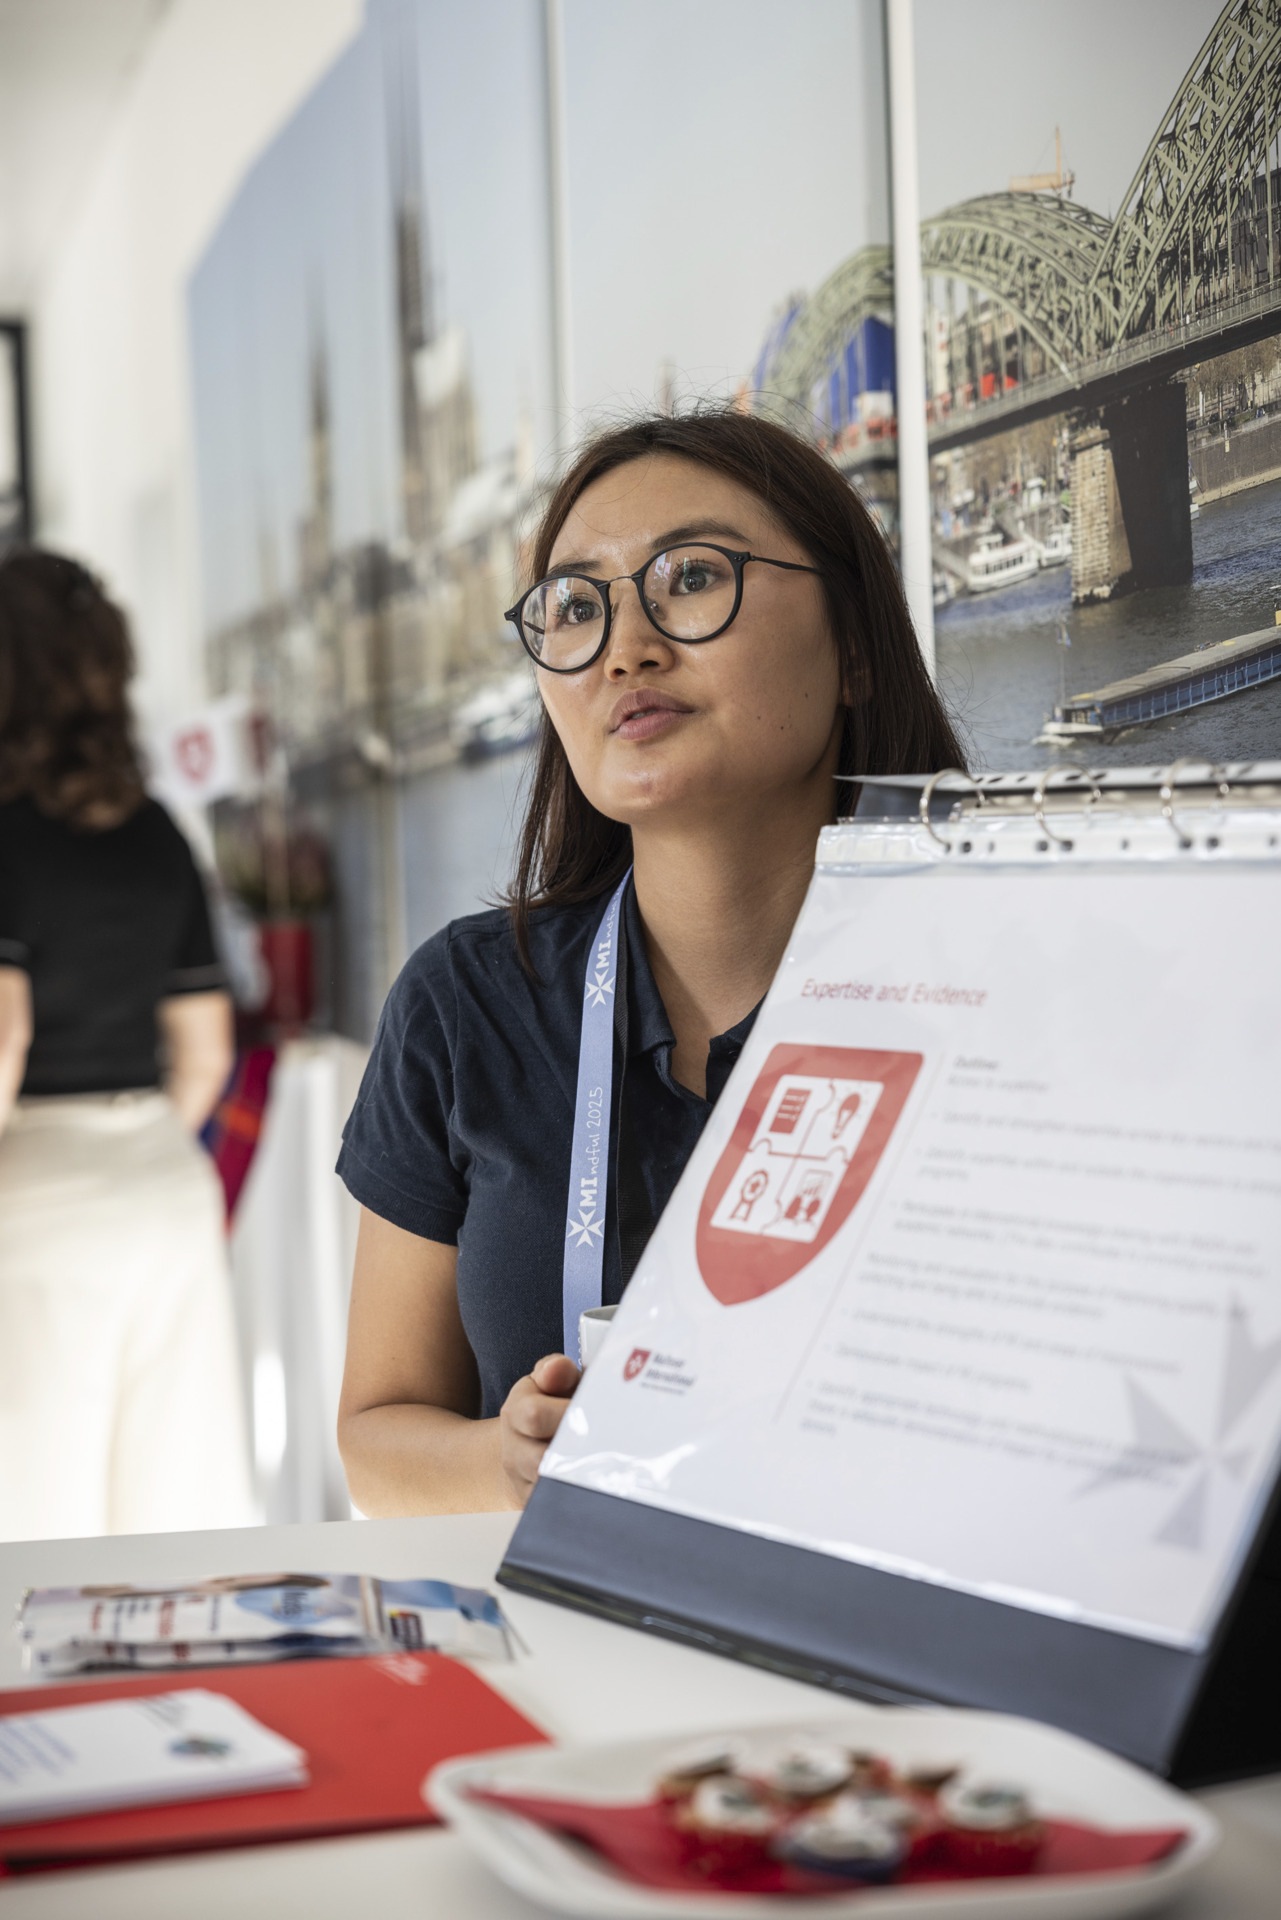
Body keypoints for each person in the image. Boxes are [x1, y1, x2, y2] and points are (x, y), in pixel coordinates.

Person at [336, 408, 966, 1516]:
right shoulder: (465, 1002)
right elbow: (375, 1441)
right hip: (568, 1668)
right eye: (576, 606)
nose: (626, 646)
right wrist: (509, 1460)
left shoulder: (992, 983)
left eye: (689, 577)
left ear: (856, 648)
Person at [0, 549, 254, 1540]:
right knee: (168, 1512)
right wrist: (137, 1142)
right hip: (159, 1189)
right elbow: (205, 1054)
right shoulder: (157, 832)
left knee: (31, 1518)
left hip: (31, 1199)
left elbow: (5, 1030)